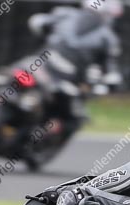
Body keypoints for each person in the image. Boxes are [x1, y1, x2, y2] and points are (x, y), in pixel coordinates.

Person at [27, 0, 124, 137]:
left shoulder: (65, 14)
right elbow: (111, 71)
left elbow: (37, 22)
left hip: (40, 67)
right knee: (75, 117)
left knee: (74, 114)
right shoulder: (107, 38)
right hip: (56, 75)